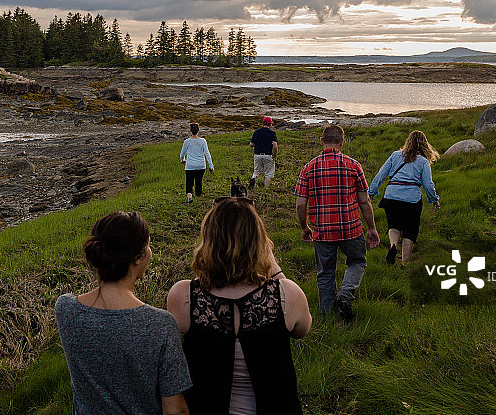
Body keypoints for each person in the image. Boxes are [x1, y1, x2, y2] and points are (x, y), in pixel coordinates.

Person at [167, 197, 312, 415]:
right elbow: (303, 329)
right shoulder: (286, 294)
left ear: (208, 240)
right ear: (260, 243)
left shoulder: (184, 295)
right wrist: (274, 267)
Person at [55, 212, 192, 415]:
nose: (150, 252)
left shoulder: (66, 309)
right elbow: (175, 410)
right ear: (137, 257)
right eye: (148, 245)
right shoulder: (160, 325)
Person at [294, 124, 380, 322]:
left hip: (322, 231)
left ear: (321, 141)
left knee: (325, 273)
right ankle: (345, 295)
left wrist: (304, 227)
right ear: (342, 142)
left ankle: (327, 317)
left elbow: (300, 204)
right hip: (351, 228)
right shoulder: (354, 165)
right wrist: (372, 228)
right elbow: (364, 201)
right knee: (357, 261)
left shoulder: (308, 168)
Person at [368, 130, 440, 267]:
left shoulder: (395, 155)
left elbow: (381, 174)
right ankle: (404, 265)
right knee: (410, 231)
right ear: (425, 145)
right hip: (412, 200)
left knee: (393, 225)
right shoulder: (423, 161)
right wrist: (434, 199)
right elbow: (428, 184)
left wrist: (372, 191)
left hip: (391, 196)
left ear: (408, 141)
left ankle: (393, 245)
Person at [180, 122, 214, 203]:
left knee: (189, 183)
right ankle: (198, 195)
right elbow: (207, 154)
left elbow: (182, 154)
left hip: (190, 165)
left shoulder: (187, 141)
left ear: (190, 131)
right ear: (198, 130)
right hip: (201, 165)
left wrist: (182, 160)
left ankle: (190, 197)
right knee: (198, 181)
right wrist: (211, 166)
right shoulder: (203, 141)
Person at [249, 116, 278, 189]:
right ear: (270, 124)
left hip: (257, 155)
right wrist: (274, 156)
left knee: (256, 171)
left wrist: (258, 144)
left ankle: (253, 179)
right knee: (268, 173)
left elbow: (251, 144)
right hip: (268, 155)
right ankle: (266, 189)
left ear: (263, 123)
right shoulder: (272, 133)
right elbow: (275, 146)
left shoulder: (256, 132)